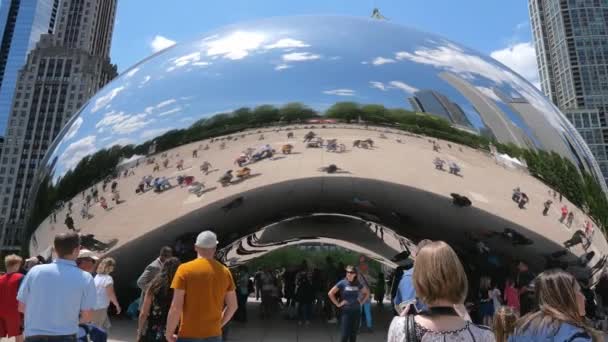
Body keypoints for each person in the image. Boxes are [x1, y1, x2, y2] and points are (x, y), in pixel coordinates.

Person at [387, 241, 495, 342]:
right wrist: (468, 322)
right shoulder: (484, 335)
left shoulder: (401, 329)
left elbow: (398, 305)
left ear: (419, 282)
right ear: (459, 278)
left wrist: (401, 325)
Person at [17, 232, 97, 341]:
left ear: (55, 249)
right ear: (77, 250)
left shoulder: (35, 271)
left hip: (34, 335)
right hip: (66, 335)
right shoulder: (86, 278)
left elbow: (21, 307)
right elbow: (87, 316)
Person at [165, 230, 238, 342]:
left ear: (195, 247)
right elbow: (233, 306)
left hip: (188, 334)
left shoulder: (184, 270)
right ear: (214, 248)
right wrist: (219, 325)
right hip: (214, 335)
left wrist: (169, 332)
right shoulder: (225, 272)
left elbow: (176, 307)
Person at [508, 269, 600, 341]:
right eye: (579, 291)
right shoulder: (575, 335)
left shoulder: (520, 327)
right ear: (565, 297)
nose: (584, 298)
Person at [137, 257, 180, 342]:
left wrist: (140, 331)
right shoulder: (179, 287)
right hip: (173, 330)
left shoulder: (154, 286)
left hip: (154, 329)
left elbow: (144, 313)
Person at [328, 265, 370, 342]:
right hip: (346, 312)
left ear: (355, 274)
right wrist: (338, 304)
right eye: (347, 272)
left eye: (351, 272)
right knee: (344, 335)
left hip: (356, 312)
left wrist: (361, 302)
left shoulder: (357, 283)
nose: (349, 274)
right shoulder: (342, 282)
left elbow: (367, 293)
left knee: (353, 335)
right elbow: (330, 293)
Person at [91, 257, 121, 331]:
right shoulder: (108, 278)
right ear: (109, 267)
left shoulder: (97, 277)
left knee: (106, 326)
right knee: (97, 330)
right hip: (101, 307)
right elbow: (110, 294)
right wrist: (117, 305)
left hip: (94, 305)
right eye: (113, 266)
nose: (113, 268)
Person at [0, 254, 24, 342]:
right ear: (16, 265)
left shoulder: (0, 278)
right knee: (18, 334)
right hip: (14, 311)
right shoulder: (20, 277)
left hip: (0, 310)